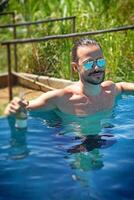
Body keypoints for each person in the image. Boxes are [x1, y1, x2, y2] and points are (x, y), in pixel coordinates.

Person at [4, 38, 134, 117]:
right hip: (75, 145)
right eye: (89, 63)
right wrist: (13, 108)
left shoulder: (110, 90)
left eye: (100, 61)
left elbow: (122, 86)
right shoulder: (62, 98)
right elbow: (26, 107)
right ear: (75, 67)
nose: (96, 68)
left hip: (108, 140)